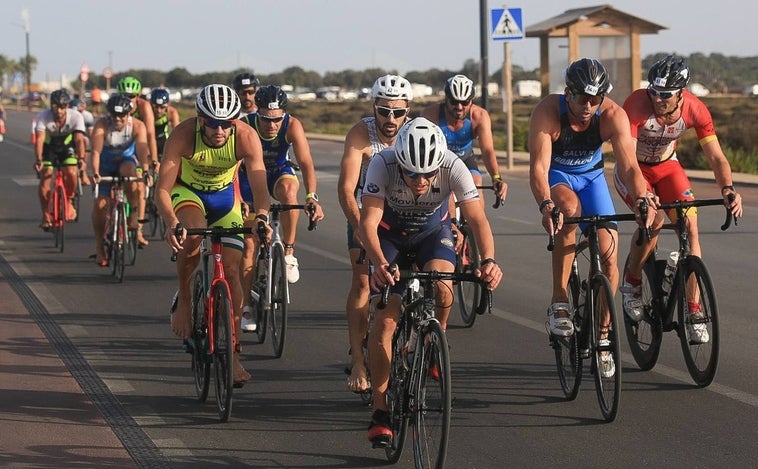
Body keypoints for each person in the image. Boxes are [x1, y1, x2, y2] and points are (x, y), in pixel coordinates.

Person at [360, 117, 503, 447]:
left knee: (443, 284)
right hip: (389, 237)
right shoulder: (383, 163)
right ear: (401, 164)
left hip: (431, 233)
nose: (420, 180)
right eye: (412, 173)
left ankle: (434, 338)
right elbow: (367, 223)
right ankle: (381, 412)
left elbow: (477, 219)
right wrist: (379, 263)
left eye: (427, 173)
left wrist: (490, 260)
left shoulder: (453, 166)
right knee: (384, 322)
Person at [528, 58, 656, 378]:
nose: (588, 106)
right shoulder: (547, 113)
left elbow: (629, 167)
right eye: (582, 98)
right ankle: (560, 299)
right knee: (568, 212)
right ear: (567, 93)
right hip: (559, 178)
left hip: (593, 178)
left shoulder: (612, 115)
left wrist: (642, 197)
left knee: (610, 254)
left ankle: (601, 334)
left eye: (595, 99)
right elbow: (539, 170)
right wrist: (546, 205)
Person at [616, 55, 743, 343]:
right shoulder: (636, 105)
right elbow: (628, 163)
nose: (658, 99)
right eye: (655, 92)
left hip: (667, 166)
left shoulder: (696, 109)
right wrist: (643, 196)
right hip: (634, 169)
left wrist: (727, 188)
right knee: (655, 220)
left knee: (691, 228)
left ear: (681, 93)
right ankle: (633, 282)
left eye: (666, 95)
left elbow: (716, 157)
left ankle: (695, 311)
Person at [156, 83, 270, 387]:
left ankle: (233, 356)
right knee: (191, 236)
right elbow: (162, 190)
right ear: (200, 118)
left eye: (227, 124)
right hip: (188, 194)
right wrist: (170, 221)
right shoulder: (182, 134)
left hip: (224, 199)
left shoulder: (246, 136)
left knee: (232, 270)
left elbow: (260, 189)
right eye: (213, 123)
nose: (220, 130)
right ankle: (184, 299)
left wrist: (261, 217)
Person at [337, 74, 413, 394]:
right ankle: (358, 361)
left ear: (407, 110)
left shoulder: (414, 133)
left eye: (398, 112)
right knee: (364, 281)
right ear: (374, 108)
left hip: (404, 214)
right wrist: (359, 230)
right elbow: (345, 188)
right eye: (384, 111)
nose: (391, 119)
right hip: (365, 213)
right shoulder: (361, 134)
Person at [237, 85, 324, 331]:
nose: (272, 125)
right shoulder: (245, 125)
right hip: (249, 176)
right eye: (266, 119)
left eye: (277, 120)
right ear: (258, 113)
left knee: (288, 191)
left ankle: (288, 253)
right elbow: (233, 166)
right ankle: (246, 307)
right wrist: (239, 199)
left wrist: (312, 196)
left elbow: (306, 163)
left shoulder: (292, 125)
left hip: (277, 171)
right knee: (249, 245)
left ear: (284, 115)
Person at [421, 74, 507, 212]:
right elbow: (423, 149)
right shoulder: (431, 114)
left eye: (465, 102)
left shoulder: (479, 116)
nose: (459, 107)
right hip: (439, 162)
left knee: (475, 187)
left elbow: (487, 151)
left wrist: (496, 177)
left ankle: (476, 229)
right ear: (446, 99)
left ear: (471, 101)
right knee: (443, 197)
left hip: (465, 159)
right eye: (454, 102)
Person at [90, 94, 150, 266]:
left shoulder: (137, 126)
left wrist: (146, 171)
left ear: (128, 114)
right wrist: (94, 172)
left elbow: (142, 150)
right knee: (100, 205)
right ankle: (100, 247)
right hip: (105, 165)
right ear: (108, 114)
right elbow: (95, 152)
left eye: (121, 115)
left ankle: (132, 215)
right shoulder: (102, 124)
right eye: (114, 115)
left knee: (131, 172)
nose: (117, 119)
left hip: (126, 161)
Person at [33, 89, 87, 230]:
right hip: (49, 147)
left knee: (71, 172)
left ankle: (68, 200)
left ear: (67, 106)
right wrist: (38, 159)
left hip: (66, 146)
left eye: (62, 107)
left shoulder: (76, 117)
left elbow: (80, 140)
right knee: (45, 177)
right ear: (51, 106)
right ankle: (46, 215)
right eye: (56, 107)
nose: (59, 111)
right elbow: (39, 139)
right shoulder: (43, 116)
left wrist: (81, 159)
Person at [117, 76, 158, 247]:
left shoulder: (144, 107)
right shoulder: (115, 107)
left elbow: (150, 135)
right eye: (125, 96)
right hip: (122, 145)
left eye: (132, 96)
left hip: (140, 144)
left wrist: (153, 159)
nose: (129, 100)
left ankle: (138, 230)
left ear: (138, 96)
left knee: (140, 186)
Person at [148, 88, 181, 162]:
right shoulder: (147, 111)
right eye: (155, 107)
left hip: (163, 141)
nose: (159, 110)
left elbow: (178, 133)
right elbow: (149, 135)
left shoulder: (171, 112)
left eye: (162, 107)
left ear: (168, 105)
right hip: (148, 142)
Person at [70, 97, 95, 185]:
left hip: (81, 136)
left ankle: (83, 171)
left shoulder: (87, 116)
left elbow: (91, 134)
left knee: (86, 141)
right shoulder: (68, 115)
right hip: (69, 135)